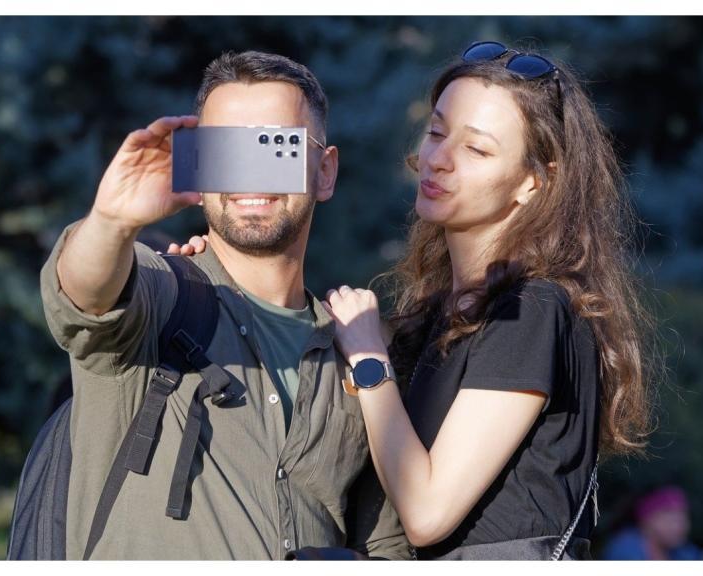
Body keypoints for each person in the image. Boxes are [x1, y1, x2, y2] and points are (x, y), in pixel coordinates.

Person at [174, 42, 655, 560]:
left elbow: (426, 514)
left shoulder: (531, 308)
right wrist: (215, 260)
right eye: (437, 132)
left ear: (534, 182)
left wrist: (370, 361)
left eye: (477, 150)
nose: (439, 159)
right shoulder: (440, 317)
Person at [40, 50, 409, 560]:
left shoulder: (356, 350)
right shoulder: (161, 294)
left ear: (325, 172)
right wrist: (111, 221)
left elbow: (384, 544)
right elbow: (83, 298)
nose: (249, 176)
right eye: (226, 152)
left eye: (276, 147)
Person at [602, 486, 703, 560]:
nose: (681, 525)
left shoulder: (684, 551)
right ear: (646, 520)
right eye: (671, 519)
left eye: (683, 518)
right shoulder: (625, 548)